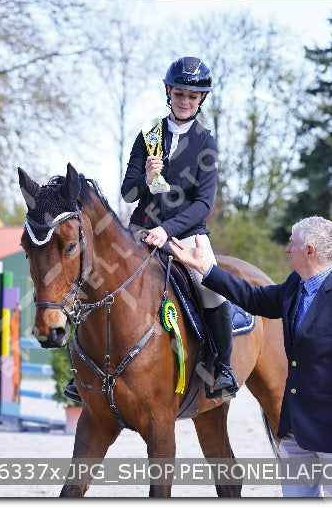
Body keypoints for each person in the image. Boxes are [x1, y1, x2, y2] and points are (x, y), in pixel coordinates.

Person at [169, 216, 332, 497]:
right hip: (295, 429)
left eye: (292, 243)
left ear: (310, 251)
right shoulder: (296, 285)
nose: (287, 249)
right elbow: (253, 298)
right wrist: (206, 269)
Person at [65, 56, 238, 403]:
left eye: (192, 95)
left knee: (211, 289)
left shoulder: (206, 143)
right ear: (168, 93)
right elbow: (128, 192)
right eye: (179, 94)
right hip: (140, 232)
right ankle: (80, 370)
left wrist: (169, 230)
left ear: (201, 99)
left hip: (187, 235)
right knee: (94, 281)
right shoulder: (149, 135)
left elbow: (203, 203)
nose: (185, 100)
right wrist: (145, 179)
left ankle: (222, 367)